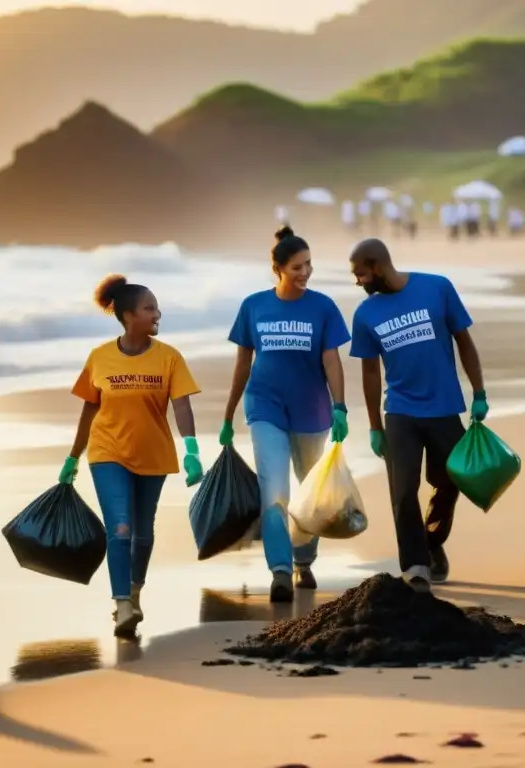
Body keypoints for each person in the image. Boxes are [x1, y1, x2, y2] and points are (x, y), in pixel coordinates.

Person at [59, 275, 203, 637]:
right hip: (108, 452)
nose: (157, 313)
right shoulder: (100, 358)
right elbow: (89, 410)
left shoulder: (169, 358)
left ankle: (135, 590)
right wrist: (74, 457)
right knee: (120, 528)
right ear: (127, 316)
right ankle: (122, 604)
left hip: (153, 453)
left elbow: (181, 404)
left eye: (156, 307)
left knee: (142, 534)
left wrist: (191, 450)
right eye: (149, 308)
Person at [348, 239, 488, 593]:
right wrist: (375, 426)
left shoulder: (437, 287)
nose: (358, 281)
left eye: (361, 274)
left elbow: (464, 342)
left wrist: (480, 392)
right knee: (403, 491)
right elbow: (369, 372)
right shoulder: (365, 314)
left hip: (443, 408)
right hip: (400, 412)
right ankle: (415, 566)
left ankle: (432, 539)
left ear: (377, 267)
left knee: (450, 481)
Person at [222, 226, 351, 603]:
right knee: (274, 489)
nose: (305, 272)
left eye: (309, 264)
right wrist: (229, 414)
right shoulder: (254, 306)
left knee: (308, 489)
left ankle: (304, 560)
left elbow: (332, 360)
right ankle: (280, 569)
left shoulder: (323, 306)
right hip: (264, 406)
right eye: (297, 266)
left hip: (312, 409)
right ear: (278, 268)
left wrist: (340, 405)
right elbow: (243, 362)